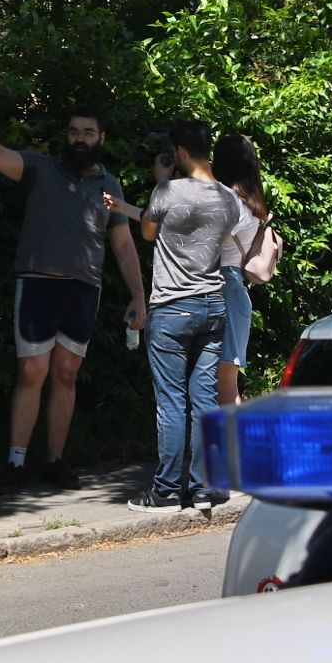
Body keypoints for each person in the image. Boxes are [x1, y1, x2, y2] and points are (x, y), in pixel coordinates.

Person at [0, 109, 143, 484]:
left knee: (66, 373)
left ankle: (55, 461)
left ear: (101, 138)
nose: (80, 138)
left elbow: (124, 244)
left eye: (88, 132)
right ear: (65, 136)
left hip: (83, 289)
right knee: (32, 371)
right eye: (73, 132)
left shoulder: (110, 186)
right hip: (37, 284)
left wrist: (138, 297)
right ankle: (15, 463)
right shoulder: (41, 169)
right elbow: (0, 155)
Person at [119, 120, 245, 510]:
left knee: (172, 400)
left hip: (172, 306)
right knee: (205, 399)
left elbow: (148, 233)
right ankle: (206, 486)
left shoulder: (166, 190)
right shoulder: (228, 198)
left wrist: (162, 179)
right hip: (213, 304)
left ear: (180, 152)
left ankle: (168, 490)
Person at [214, 131, 281, 454]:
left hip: (223, 288)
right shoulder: (253, 200)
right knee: (227, 385)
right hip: (235, 291)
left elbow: (206, 244)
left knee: (224, 387)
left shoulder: (229, 201)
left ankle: (240, 462)